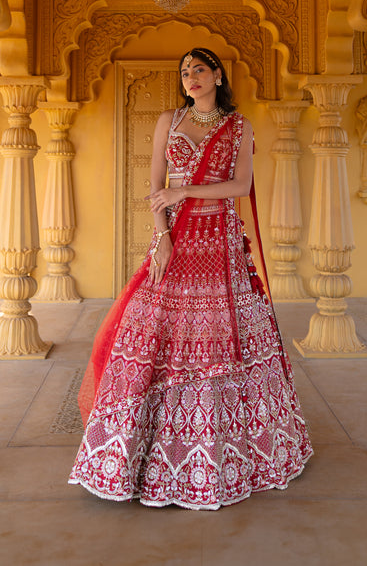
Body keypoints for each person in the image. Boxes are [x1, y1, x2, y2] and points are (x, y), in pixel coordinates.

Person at [69, 47, 312, 509]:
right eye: (184, 72)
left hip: (219, 240)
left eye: (199, 69)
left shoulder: (240, 126)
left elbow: (240, 186)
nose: (190, 78)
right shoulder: (169, 122)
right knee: (155, 335)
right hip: (176, 238)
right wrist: (162, 237)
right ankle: (139, 454)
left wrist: (187, 189)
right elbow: (156, 187)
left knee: (221, 340)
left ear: (218, 75)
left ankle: (232, 454)